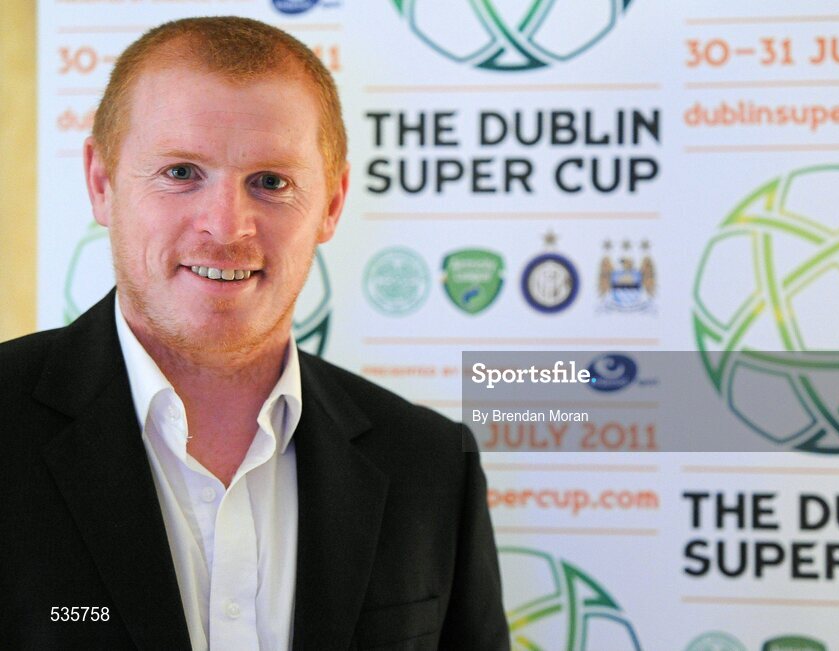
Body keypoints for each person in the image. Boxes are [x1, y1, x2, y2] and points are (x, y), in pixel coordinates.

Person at [0, 16, 509, 650]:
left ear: (331, 204)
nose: (226, 225)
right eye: (181, 172)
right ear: (101, 184)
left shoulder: (428, 466)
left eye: (271, 182)